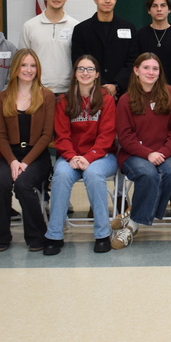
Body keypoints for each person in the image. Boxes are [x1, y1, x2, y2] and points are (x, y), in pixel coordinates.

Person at [44, 55, 118, 255]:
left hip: (102, 157)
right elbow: (61, 135)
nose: (85, 73)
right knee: (60, 175)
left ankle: (102, 234)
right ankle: (54, 235)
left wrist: (89, 157)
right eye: (81, 69)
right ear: (75, 74)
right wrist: (71, 156)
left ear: (97, 75)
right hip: (71, 156)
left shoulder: (107, 100)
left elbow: (106, 136)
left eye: (90, 69)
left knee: (93, 175)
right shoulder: (64, 101)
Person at [112, 52, 171, 249]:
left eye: (155, 69)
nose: (150, 72)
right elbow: (125, 137)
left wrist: (163, 151)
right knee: (148, 173)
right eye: (146, 68)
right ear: (136, 71)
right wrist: (147, 154)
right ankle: (133, 226)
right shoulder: (126, 100)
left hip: (165, 152)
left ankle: (134, 214)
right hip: (134, 154)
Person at [0, 48, 55, 252]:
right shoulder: (2, 98)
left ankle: (37, 235)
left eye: (33, 65)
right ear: (15, 69)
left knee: (22, 184)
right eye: (24, 65)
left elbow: (46, 135)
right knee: (1, 184)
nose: (29, 70)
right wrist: (12, 161)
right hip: (9, 155)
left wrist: (25, 162)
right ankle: (1, 235)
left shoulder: (46, 96)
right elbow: (0, 136)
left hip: (36, 156)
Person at [71, 0, 139, 98]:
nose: (107, 1)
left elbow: (133, 60)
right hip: (90, 91)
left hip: (123, 93)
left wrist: (116, 85)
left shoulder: (128, 28)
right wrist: (100, 85)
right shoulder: (81, 30)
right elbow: (78, 61)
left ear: (116, 0)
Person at [21, 0, 80, 95]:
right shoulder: (29, 26)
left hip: (68, 91)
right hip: (37, 90)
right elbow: (21, 60)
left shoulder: (76, 27)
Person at [135, 0, 171, 102]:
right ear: (149, 10)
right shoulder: (139, 35)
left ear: (169, 9)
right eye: (154, 6)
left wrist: (170, 91)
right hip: (144, 96)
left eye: (163, 5)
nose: (159, 9)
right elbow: (135, 65)